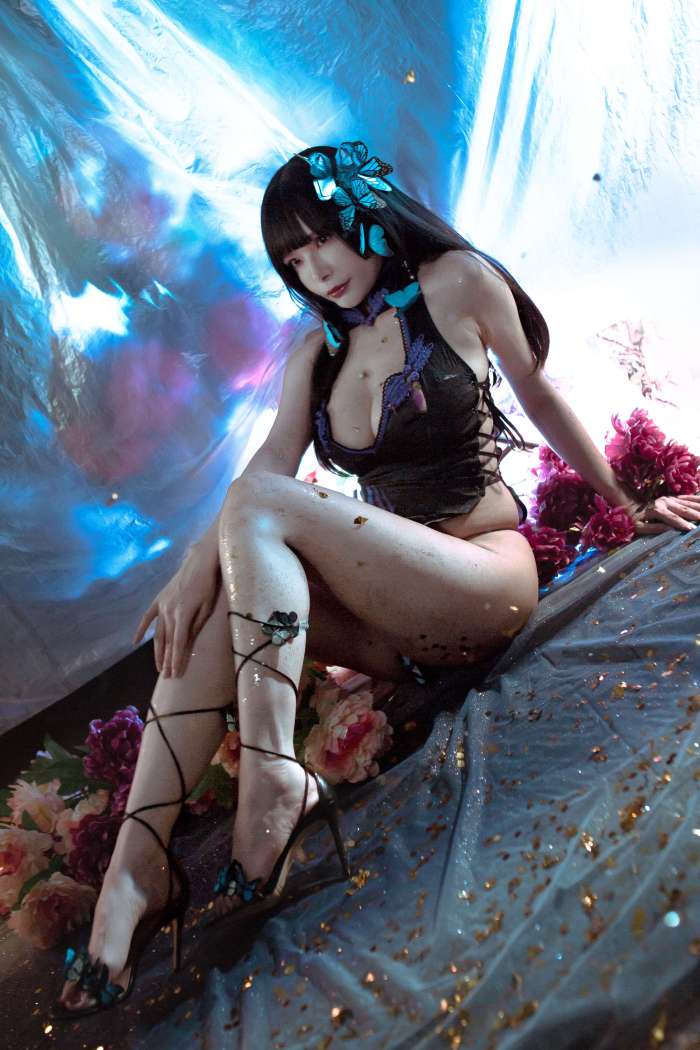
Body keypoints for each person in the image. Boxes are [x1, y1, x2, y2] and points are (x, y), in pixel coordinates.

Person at [54, 141, 700, 1016]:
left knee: (254, 508)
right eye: (294, 261)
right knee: (216, 587)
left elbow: (539, 393)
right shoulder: (313, 353)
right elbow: (266, 468)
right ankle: (139, 866)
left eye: (323, 238)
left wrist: (627, 497)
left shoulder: (455, 283)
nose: (316, 270)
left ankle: (260, 785)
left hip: (482, 580)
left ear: (365, 209)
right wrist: (187, 574)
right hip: (394, 629)